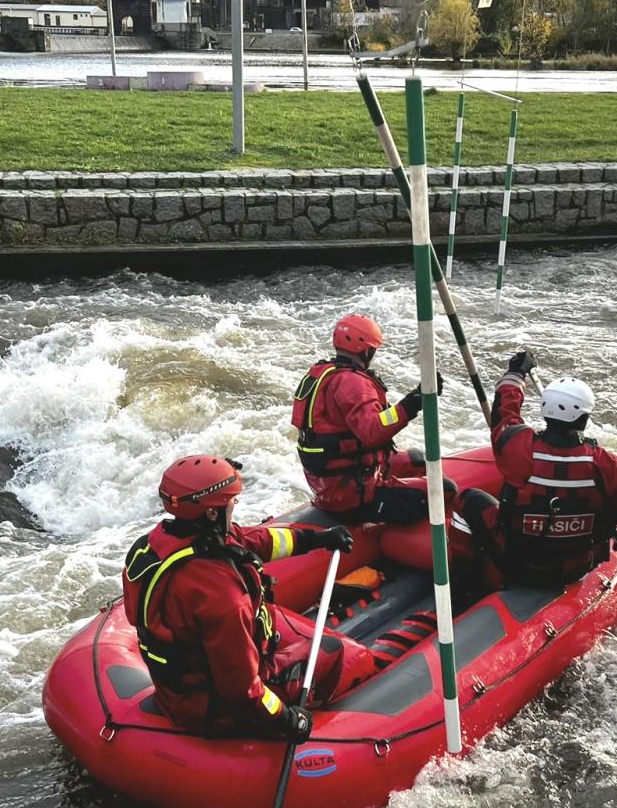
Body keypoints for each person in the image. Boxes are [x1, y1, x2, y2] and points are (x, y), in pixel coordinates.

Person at [122, 454, 376, 739]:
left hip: (179, 687)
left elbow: (256, 541)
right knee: (334, 652)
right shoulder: (223, 599)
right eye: (232, 501)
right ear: (211, 513)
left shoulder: (159, 543)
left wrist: (318, 539)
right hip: (214, 708)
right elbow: (242, 691)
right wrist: (286, 718)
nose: (235, 506)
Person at [454, 352, 617, 588]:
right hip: (576, 566)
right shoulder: (605, 463)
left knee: (467, 499)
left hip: (515, 561)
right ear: (584, 419)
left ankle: (464, 584)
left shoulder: (517, 447)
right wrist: (604, 518)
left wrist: (516, 372)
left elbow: (504, 412)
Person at [290, 313, 451, 524]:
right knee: (446, 490)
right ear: (366, 351)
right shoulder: (352, 383)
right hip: (353, 496)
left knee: (418, 460)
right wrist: (414, 402)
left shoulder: (323, 374)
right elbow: (372, 431)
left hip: (334, 483)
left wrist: (413, 399)